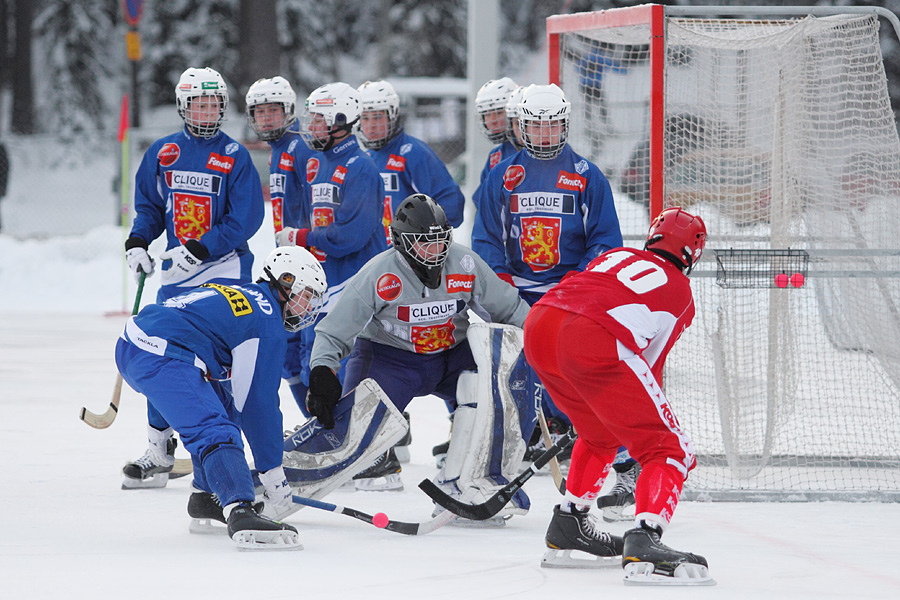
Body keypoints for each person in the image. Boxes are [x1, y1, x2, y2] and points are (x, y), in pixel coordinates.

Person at [304, 194, 534, 509]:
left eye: (441, 241)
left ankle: (476, 474)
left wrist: (540, 340)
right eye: (426, 243)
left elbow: (510, 309)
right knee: (349, 433)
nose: (436, 250)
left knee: (496, 394)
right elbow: (334, 330)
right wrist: (322, 371)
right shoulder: (378, 274)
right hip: (391, 360)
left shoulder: (465, 262)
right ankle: (300, 469)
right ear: (402, 242)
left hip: (453, 356)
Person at [524, 207, 713, 585]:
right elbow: (650, 365)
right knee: (668, 448)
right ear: (692, 254)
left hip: (542, 324)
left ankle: (569, 524)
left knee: (600, 435)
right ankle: (646, 540)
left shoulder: (614, 255)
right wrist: (641, 422)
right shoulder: (680, 289)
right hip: (591, 336)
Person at [471, 83, 636, 490]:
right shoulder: (503, 176)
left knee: (581, 377)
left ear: (564, 126)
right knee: (510, 376)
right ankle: (502, 460)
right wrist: (501, 283)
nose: (544, 135)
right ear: (522, 128)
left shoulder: (585, 176)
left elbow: (604, 240)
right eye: (536, 127)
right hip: (518, 294)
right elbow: (486, 238)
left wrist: (577, 282)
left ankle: (625, 461)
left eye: (552, 127)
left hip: (568, 293)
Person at [115, 246, 327, 550]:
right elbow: (258, 406)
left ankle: (207, 495)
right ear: (285, 282)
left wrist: (158, 435)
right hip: (158, 354)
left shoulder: (241, 293)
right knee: (216, 429)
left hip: (142, 343)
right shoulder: (266, 323)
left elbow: (177, 355)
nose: (308, 307)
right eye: (306, 296)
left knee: (220, 409)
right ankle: (240, 508)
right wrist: (274, 476)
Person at [122, 66, 265, 489]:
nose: (206, 111)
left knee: (227, 363)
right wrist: (137, 243)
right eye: (198, 103)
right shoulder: (163, 153)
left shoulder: (235, 156)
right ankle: (158, 451)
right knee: (163, 357)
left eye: (213, 103)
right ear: (184, 106)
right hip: (177, 275)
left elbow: (246, 218)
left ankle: (235, 452)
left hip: (225, 271)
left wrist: (200, 249)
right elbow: (149, 208)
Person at [274, 81, 387, 424]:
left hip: (355, 276)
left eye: (321, 120)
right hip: (326, 276)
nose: (313, 127)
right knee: (306, 352)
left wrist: (302, 235)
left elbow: (350, 234)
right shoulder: (316, 162)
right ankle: (325, 425)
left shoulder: (361, 166)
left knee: (339, 357)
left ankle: (360, 435)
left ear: (342, 120)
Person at [245, 76, 320, 412]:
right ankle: (313, 423)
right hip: (289, 265)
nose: (266, 118)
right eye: (260, 112)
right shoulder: (278, 150)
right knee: (287, 351)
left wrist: (309, 246)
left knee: (308, 349)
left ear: (289, 111)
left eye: (273, 110)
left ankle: (333, 427)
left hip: (310, 267)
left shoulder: (302, 146)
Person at [357, 79, 465, 237]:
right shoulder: (366, 158)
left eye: (378, 117)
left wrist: (424, 237)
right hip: (378, 253)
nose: (372, 125)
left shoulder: (414, 153)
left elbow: (452, 203)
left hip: (410, 253)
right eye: (365, 118)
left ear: (392, 116)